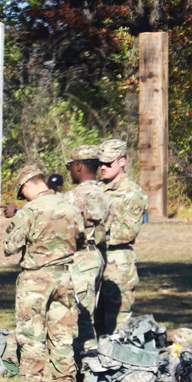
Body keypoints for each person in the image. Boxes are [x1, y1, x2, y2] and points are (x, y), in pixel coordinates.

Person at [3, 163, 85, 382]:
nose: (24, 198)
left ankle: (32, 381)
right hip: (64, 277)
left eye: (23, 193)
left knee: (31, 332)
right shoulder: (70, 207)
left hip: (35, 279)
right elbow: (82, 240)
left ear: (28, 184)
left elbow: (9, 245)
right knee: (63, 333)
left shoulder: (30, 211)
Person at [96, 139, 148, 336]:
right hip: (96, 260)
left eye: (108, 163)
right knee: (94, 318)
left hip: (118, 264)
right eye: (100, 163)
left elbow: (128, 231)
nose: (103, 168)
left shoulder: (132, 193)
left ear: (122, 161)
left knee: (117, 323)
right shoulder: (97, 188)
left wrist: (95, 234)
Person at [64, 145, 109, 354]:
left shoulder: (77, 196)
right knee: (87, 312)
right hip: (96, 256)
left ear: (79, 166)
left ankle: (85, 368)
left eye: (70, 166)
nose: (70, 171)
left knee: (79, 316)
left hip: (81, 258)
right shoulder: (102, 192)